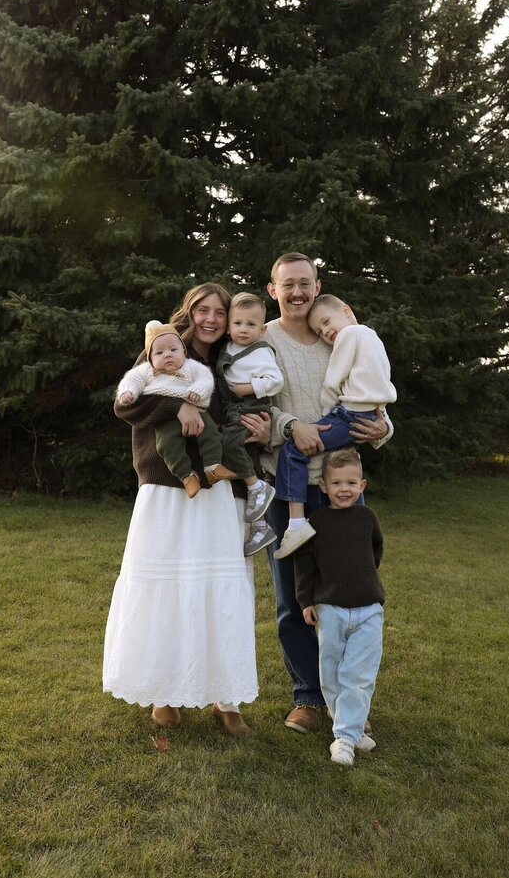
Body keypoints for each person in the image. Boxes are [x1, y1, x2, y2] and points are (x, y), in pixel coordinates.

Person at [239, 252, 391, 734]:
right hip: (288, 491)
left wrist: (383, 429)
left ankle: (351, 707)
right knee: (293, 597)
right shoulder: (264, 341)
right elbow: (257, 406)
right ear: (273, 290)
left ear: (318, 285)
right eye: (289, 285)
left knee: (348, 596)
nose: (298, 292)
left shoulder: (339, 335)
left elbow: (373, 394)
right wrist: (290, 426)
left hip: (340, 487)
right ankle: (307, 696)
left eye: (306, 283)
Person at [103, 283, 257, 737]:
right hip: (165, 485)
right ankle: (164, 692)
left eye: (220, 312)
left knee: (220, 588)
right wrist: (179, 407)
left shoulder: (235, 356)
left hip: (218, 485)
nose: (211, 319)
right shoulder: (163, 346)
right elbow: (125, 403)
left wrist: (261, 425)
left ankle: (225, 696)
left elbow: (244, 407)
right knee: (166, 585)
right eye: (202, 310)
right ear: (189, 313)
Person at [273, 294, 396, 558]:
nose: (327, 331)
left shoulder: (349, 336)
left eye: (328, 321)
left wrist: (331, 408)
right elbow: (378, 386)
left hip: (347, 418)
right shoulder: (372, 338)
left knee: (294, 450)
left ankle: (296, 524)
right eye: (320, 329)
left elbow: (334, 378)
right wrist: (381, 416)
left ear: (347, 310)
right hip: (362, 414)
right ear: (274, 290)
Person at [294, 449, 385, 766]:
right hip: (331, 610)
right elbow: (304, 563)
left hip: (368, 609)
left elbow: (376, 549)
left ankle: (344, 739)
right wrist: (306, 600)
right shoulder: (316, 522)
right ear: (323, 487)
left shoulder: (367, 518)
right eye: (336, 483)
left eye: (351, 482)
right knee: (331, 674)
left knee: (358, 674)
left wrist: (363, 576)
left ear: (362, 485)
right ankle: (350, 726)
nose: (344, 489)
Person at [116, 319, 236, 498]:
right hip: (166, 418)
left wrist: (198, 391)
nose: (168, 355)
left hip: (197, 409)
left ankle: (213, 466)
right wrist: (128, 392)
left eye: (173, 350)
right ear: (150, 357)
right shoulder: (147, 370)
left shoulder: (191, 366)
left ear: (183, 351)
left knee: (210, 433)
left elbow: (205, 379)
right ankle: (186, 476)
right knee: (167, 444)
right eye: (160, 353)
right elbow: (131, 380)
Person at [215, 292, 282, 556]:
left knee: (230, 443)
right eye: (238, 323)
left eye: (251, 325)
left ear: (262, 329)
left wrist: (248, 388)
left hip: (251, 405)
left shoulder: (261, 352)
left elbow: (276, 380)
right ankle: (261, 525)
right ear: (229, 326)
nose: (244, 329)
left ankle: (257, 487)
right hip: (234, 407)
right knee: (241, 454)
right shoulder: (228, 348)